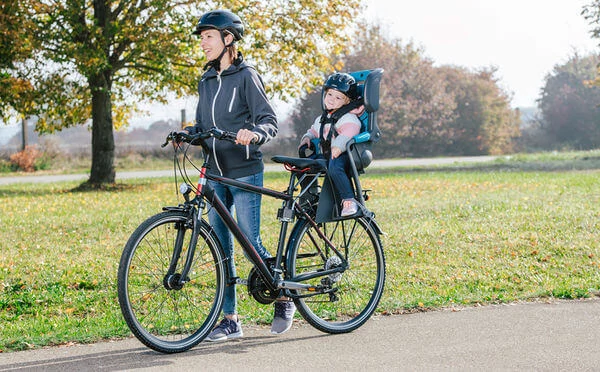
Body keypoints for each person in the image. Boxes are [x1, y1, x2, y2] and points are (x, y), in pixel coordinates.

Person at [183, 9, 295, 341]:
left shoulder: (247, 76)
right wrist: (187, 132)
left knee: (249, 241)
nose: (203, 43)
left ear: (227, 39)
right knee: (221, 247)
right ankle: (230, 319)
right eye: (201, 38)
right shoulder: (205, 80)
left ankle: (285, 295)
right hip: (215, 175)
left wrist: (255, 133)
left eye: (208, 37)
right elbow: (204, 125)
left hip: (245, 172)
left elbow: (268, 120)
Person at [298, 72, 363, 216]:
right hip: (326, 155)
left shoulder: (348, 117)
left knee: (335, 166)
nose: (332, 100)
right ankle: (309, 196)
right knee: (301, 165)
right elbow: (314, 131)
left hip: (345, 155)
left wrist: (338, 146)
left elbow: (350, 131)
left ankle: (349, 200)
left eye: (338, 97)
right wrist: (307, 137)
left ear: (347, 102)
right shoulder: (323, 118)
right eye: (329, 95)